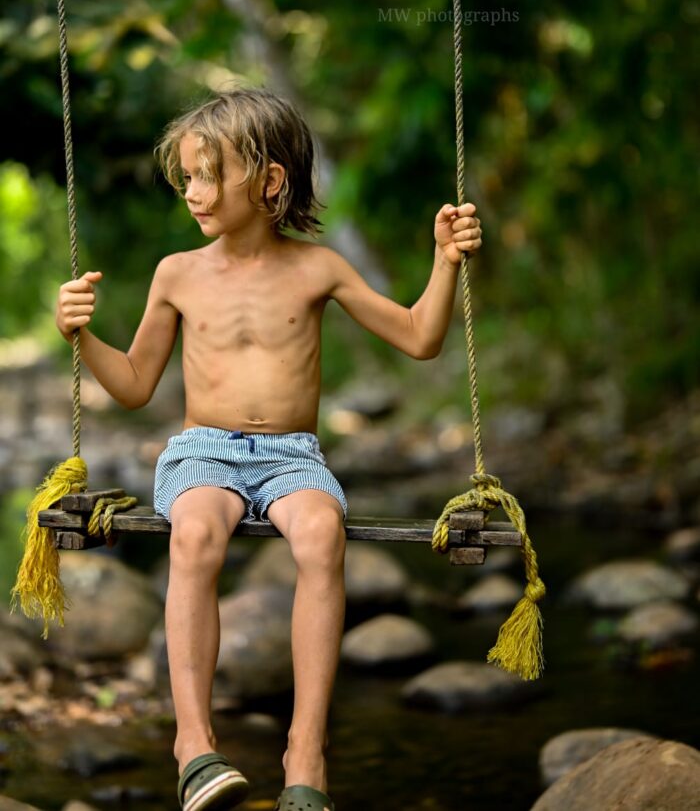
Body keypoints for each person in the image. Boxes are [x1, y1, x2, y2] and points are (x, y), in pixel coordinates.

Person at [55, 87, 482, 811]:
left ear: (270, 181)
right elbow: (131, 385)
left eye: (204, 175)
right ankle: (193, 745)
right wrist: (82, 336)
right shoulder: (178, 273)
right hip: (202, 453)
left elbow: (419, 336)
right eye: (185, 177)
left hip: (293, 456)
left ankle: (304, 751)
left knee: (320, 533)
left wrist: (445, 262)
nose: (191, 192)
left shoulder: (317, 269)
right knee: (194, 533)